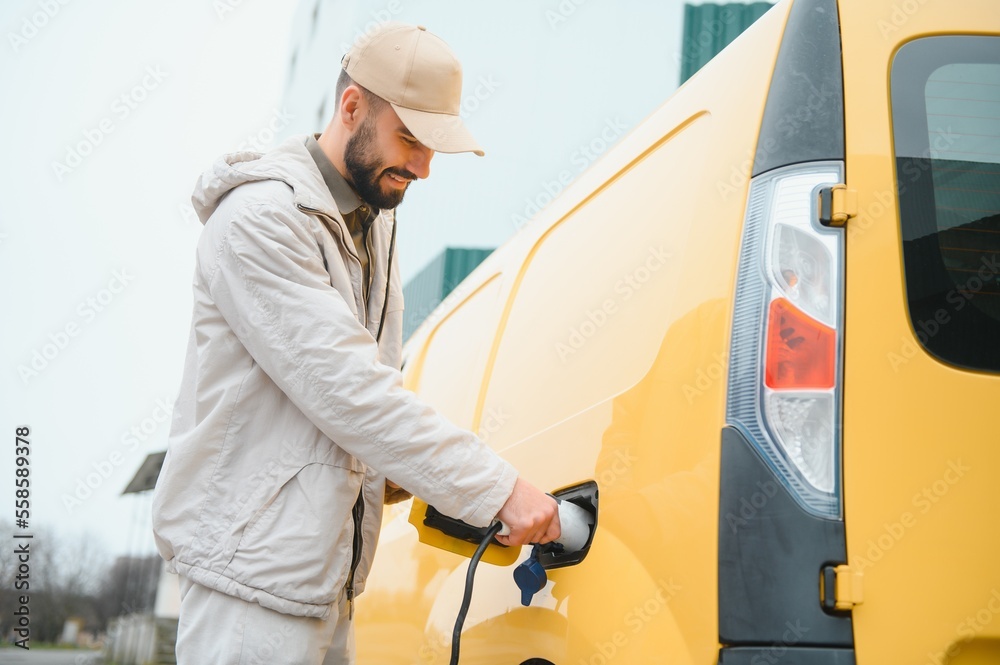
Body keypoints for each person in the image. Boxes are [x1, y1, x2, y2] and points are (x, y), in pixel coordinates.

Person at [151, 22, 560, 665]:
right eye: (411, 139)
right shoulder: (259, 221)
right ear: (351, 108)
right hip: (248, 592)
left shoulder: (370, 226)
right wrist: (498, 490)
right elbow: (352, 394)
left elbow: (332, 413)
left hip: (325, 588)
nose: (424, 168)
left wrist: (407, 478)